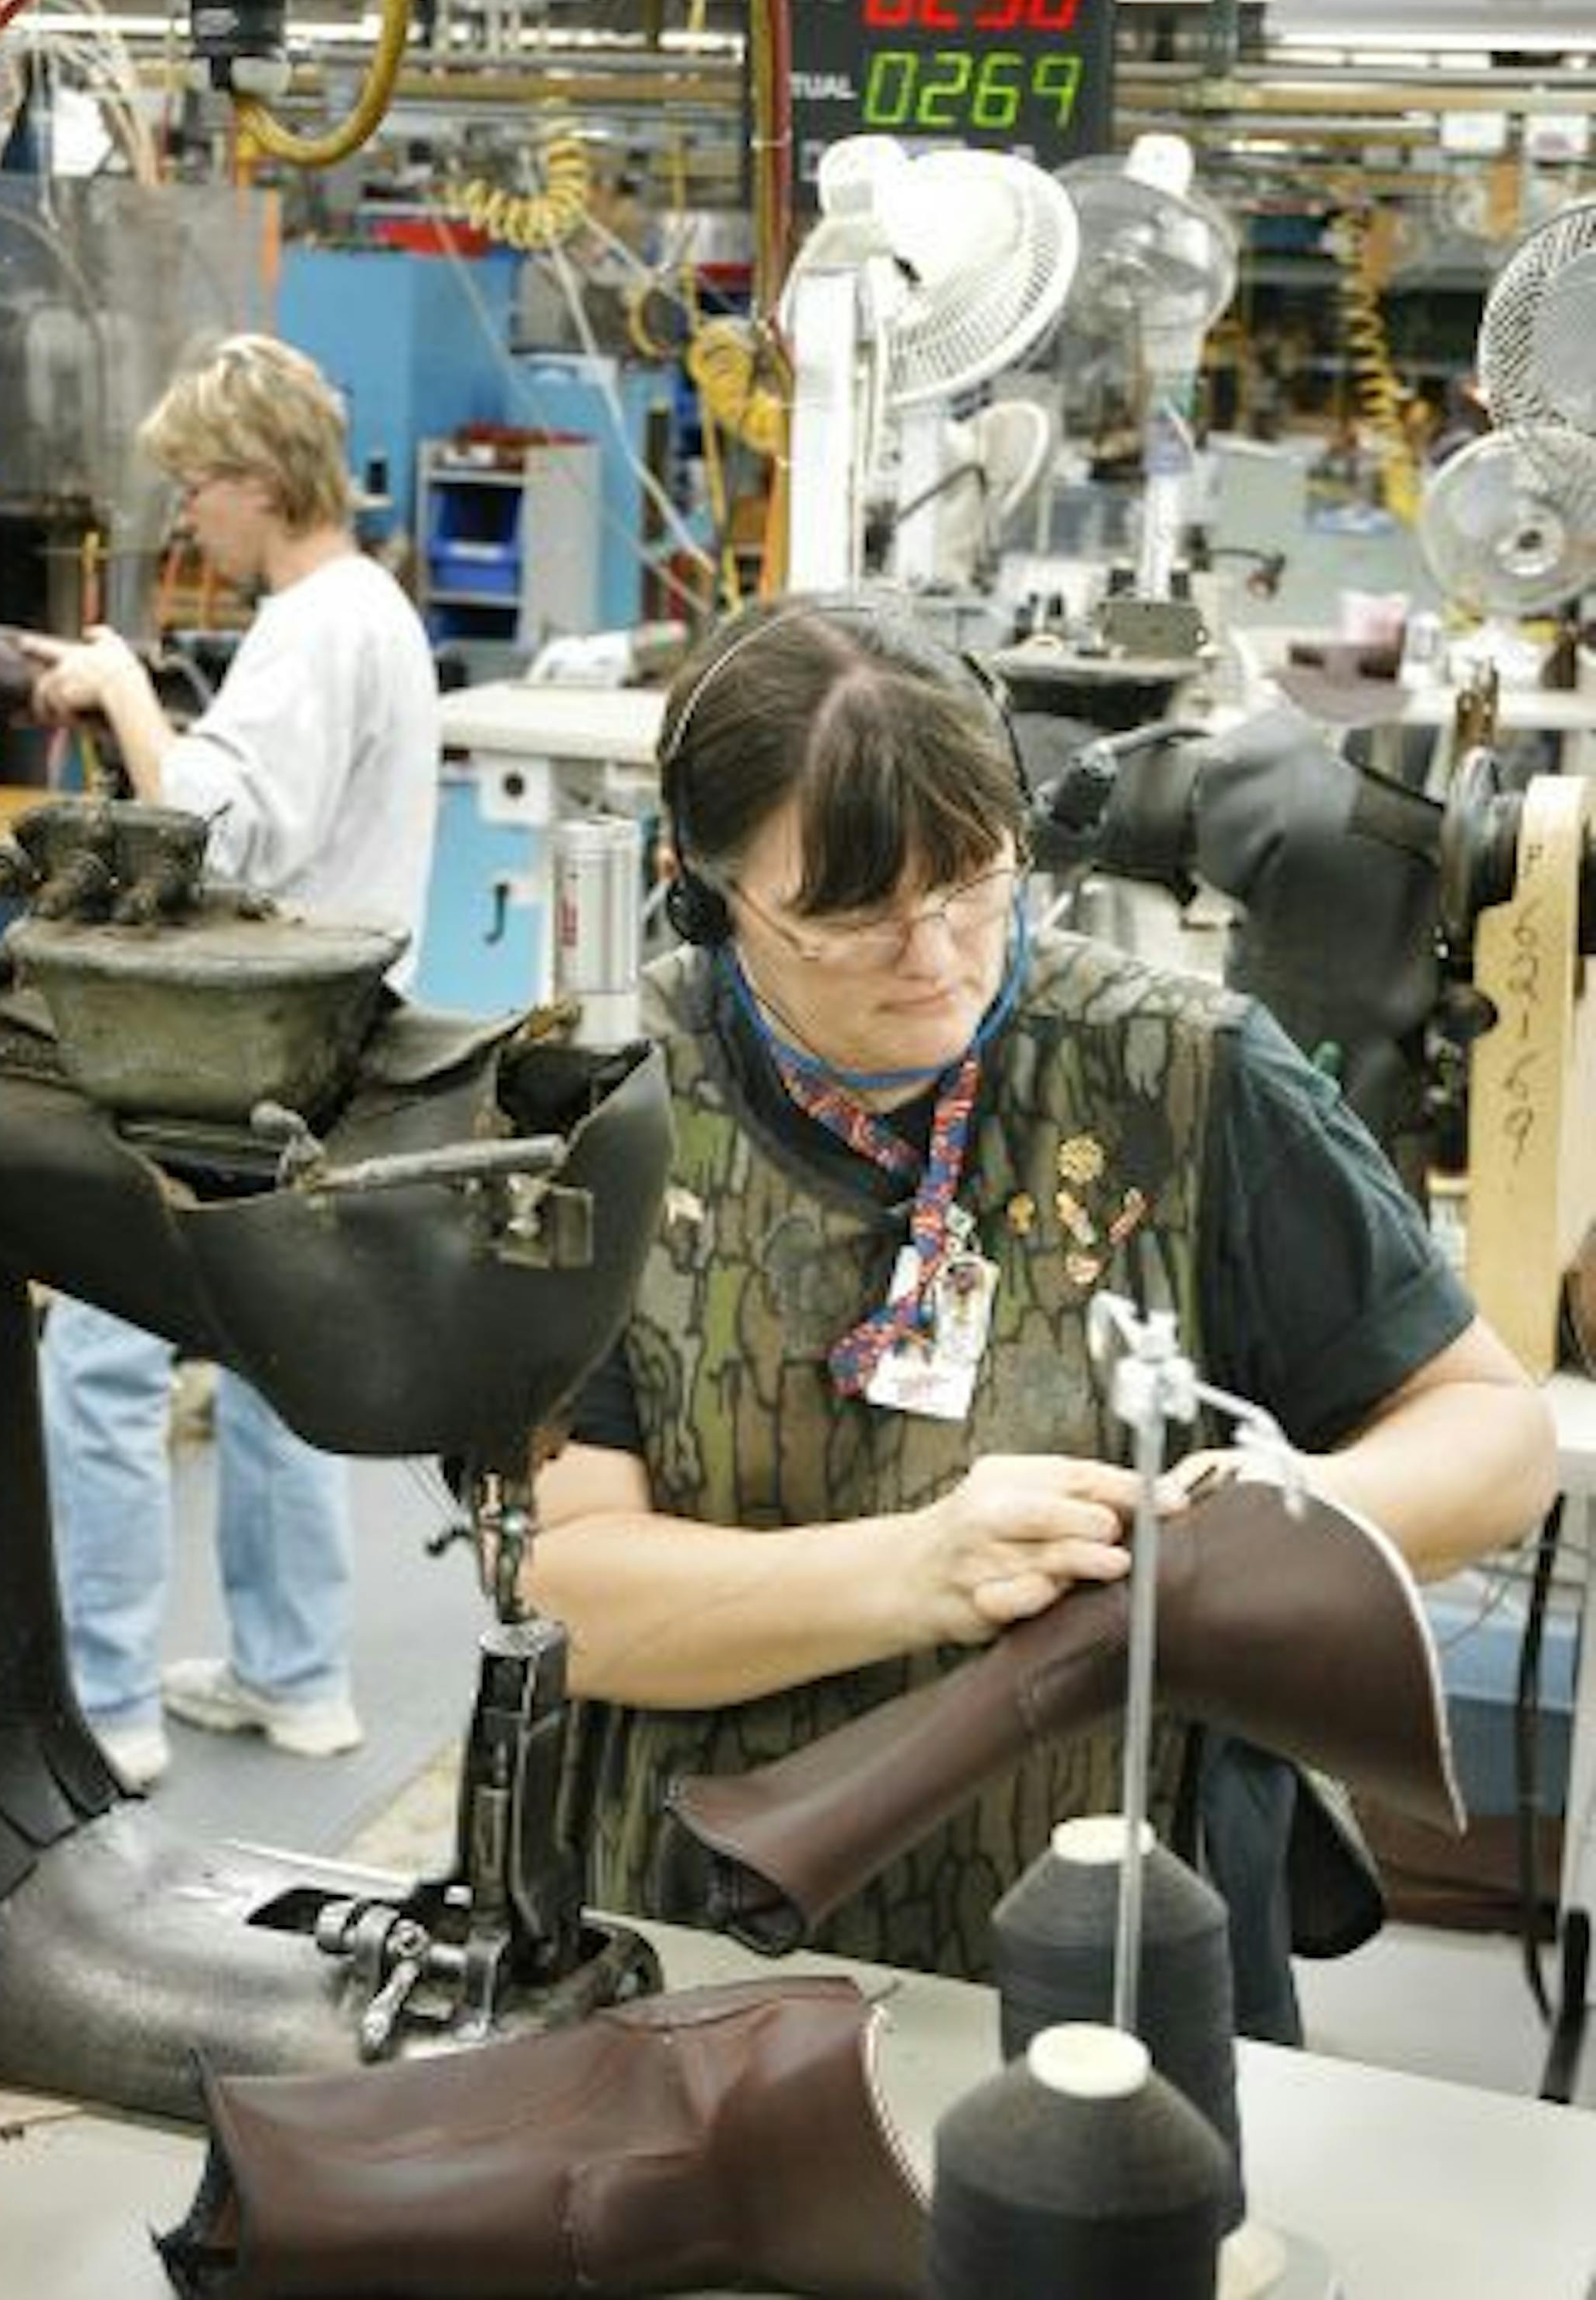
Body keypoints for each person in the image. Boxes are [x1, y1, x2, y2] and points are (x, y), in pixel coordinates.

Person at [522, 591, 1557, 1989]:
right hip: (702, 1951)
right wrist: (917, 1570)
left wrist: (1232, 1544)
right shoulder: (610, 1100)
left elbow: (1494, 1438)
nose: (938, 958)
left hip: (1127, 1944)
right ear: (704, 886)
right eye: (851, 919)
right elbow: (569, 1587)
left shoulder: (1187, 1079)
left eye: (973, 882)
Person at [25, 333, 441, 1790]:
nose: (186, 513)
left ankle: (111, 1709)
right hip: (329, 1052)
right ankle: (296, 1675)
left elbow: (215, 840)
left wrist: (125, 691)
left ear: (262, 481)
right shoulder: (369, 609)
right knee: (276, 1360)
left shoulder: (318, 623)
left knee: (101, 1359)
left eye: (197, 484)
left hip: (234, 1065)